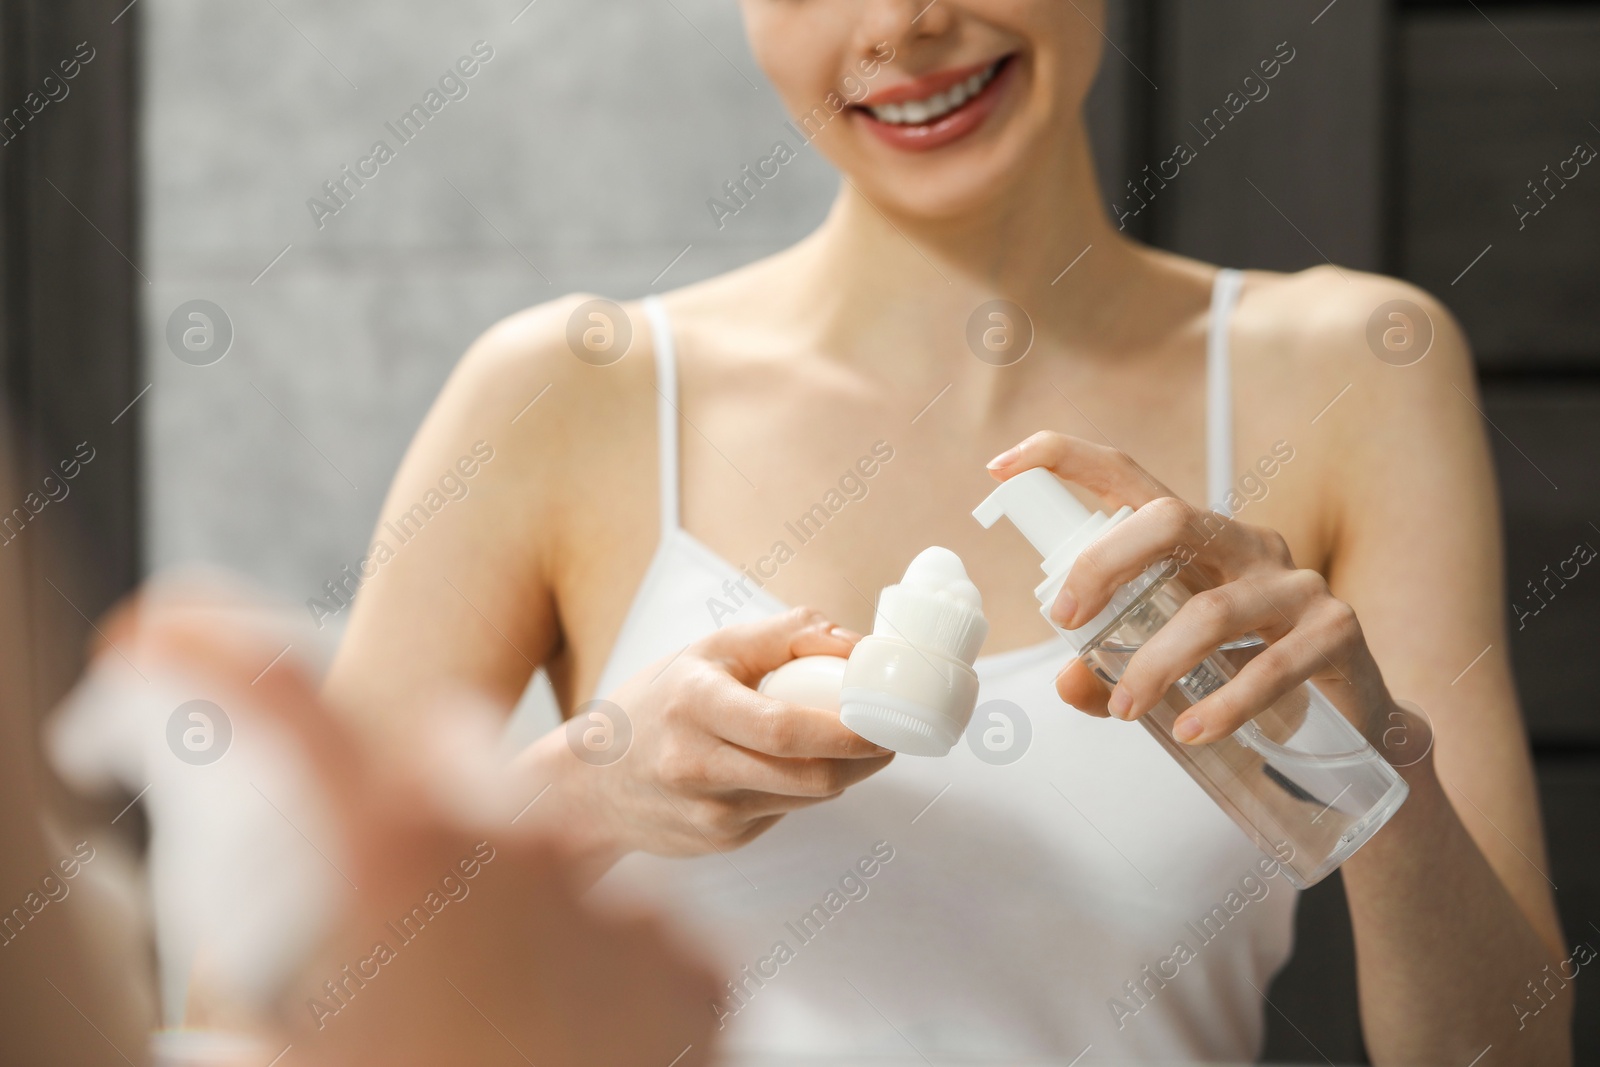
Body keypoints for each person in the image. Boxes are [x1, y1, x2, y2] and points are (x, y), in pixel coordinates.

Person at [325, 1, 1572, 1062]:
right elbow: (274, 1006)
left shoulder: (1356, 370)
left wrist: (1384, 769)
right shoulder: (567, 391)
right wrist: (586, 789)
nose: (905, 21)